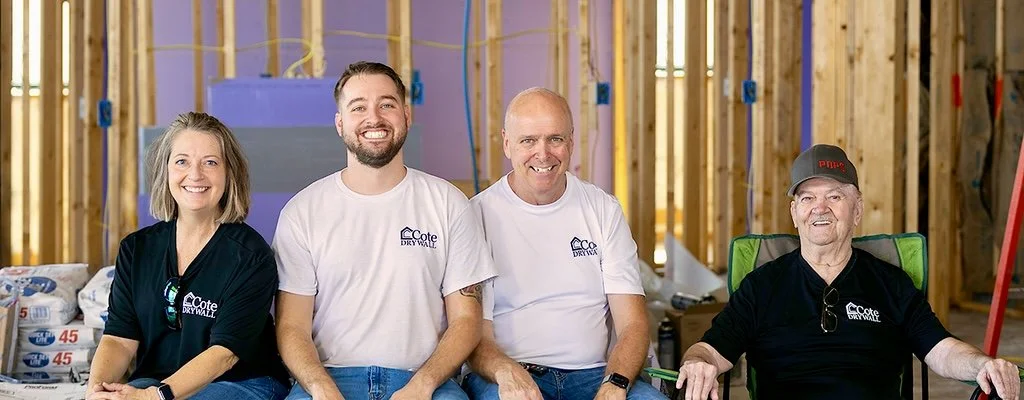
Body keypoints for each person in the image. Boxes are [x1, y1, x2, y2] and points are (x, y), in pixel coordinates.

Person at [675, 144, 1022, 400]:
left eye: (835, 196)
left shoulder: (891, 283)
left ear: (857, 210)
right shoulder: (762, 286)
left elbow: (942, 350)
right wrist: (696, 363)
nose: (820, 208)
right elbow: (709, 351)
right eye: (808, 198)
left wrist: (982, 365)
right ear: (794, 213)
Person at [272, 61, 498, 400]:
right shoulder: (302, 212)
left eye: (386, 105)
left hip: (424, 381)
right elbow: (291, 326)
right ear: (340, 124)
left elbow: (466, 319)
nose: (373, 118)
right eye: (358, 107)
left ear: (407, 115)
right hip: (330, 379)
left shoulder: (448, 203)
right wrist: (321, 389)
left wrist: (423, 385)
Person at [463, 87, 667, 400]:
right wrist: (506, 372)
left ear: (570, 142)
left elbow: (633, 323)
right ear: (507, 143)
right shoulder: (476, 216)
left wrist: (616, 383)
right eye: (528, 140)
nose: (542, 154)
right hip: (511, 373)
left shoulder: (603, 209)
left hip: (595, 373)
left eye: (555, 139)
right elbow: (474, 334)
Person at [86, 112, 290, 400]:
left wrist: (153, 397)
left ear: (229, 173)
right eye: (182, 161)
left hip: (242, 382)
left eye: (210, 162)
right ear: (166, 170)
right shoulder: (137, 249)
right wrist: (97, 391)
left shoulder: (251, 256)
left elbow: (224, 355)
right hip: (155, 381)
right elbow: (119, 339)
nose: (195, 175)